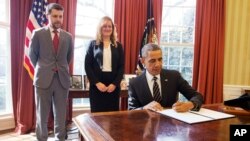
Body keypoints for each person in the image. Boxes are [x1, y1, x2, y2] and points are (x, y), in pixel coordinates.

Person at [29, 3, 73, 141]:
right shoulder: (38, 34)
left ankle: (60, 138)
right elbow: (32, 56)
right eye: (54, 16)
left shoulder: (68, 37)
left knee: (61, 115)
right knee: (41, 116)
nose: (58, 19)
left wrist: (59, 68)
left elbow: (68, 58)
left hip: (62, 80)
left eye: (60, 16)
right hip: (43, 80)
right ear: (47, 16)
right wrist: (44, 68)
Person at [128, 43, 203, 112]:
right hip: (146, 124)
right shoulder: (134, 83)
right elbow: (131, 111)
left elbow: (197, 96)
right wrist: (144, 108)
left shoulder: (174, 76)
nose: (157, 64)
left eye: (160, 59)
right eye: (152, 61)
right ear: (143, 61)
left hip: (170, 124)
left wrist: (189, 105)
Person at [85, 16, 125, 112]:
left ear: (113, 28)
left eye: (109, 26)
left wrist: (115, 84)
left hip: (113, 86)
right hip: (97, 85)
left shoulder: (118, 46)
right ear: (100, 28)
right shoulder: (92, 44)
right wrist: (97, 83)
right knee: (97, 116)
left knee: (112, 117)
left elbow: (121, 67)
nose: (107, 28)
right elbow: (87, 66)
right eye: (104, 26)